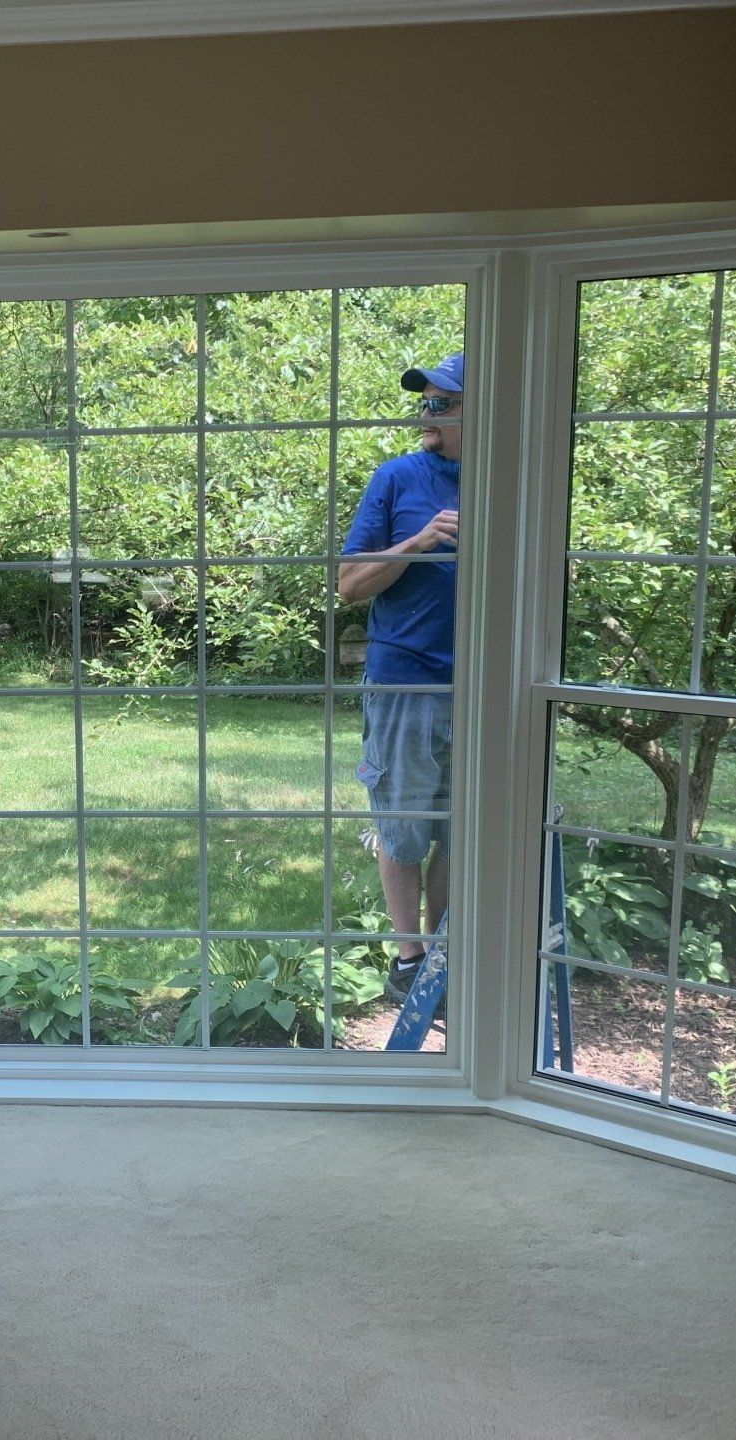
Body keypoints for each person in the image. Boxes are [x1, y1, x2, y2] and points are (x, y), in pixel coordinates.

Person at [336, 352, 464, 1000]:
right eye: (424, 402)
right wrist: (417, 543)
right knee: (404, 826)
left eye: (442, 403)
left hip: (482, 687)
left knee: (462, 830)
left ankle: (444, 957)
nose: (426, 414)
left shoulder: (509, 481)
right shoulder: (396, 478)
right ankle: (409, 960)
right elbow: (349, 585)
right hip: (405, 680)